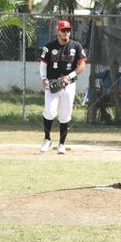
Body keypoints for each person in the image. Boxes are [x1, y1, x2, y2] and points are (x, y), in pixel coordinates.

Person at [39, 19, 87, 154]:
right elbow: (43, 65)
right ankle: (47, 140)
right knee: (49, 111)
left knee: (65, 115)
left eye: (68, 31)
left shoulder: (76, 46)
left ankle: (61, 144)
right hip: (52, 84)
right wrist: (44, 79)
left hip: (69, 85)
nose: (66, 33)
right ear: (58, 32)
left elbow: (82, 65)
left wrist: (69, 76)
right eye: (63, 30)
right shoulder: (49, 47)